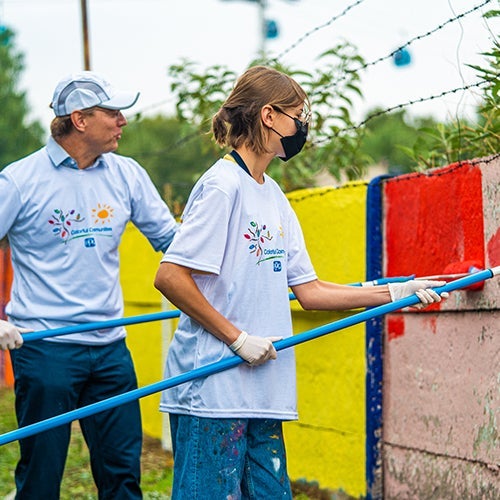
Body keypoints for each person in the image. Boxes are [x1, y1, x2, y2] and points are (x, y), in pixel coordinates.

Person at [153, 65, 448, 499]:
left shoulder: (272, 195)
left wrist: (394, 292)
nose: (302, 127)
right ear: (268, 116)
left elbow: (310, 292)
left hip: (261, 390)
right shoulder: (222, 186)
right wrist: (236, 339)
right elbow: (170, 276)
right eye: (296, 115)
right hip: (212, 390)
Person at [0, 71, 178, 499]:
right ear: (79, 119)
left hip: (110, 349)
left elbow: (174, 243)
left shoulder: (126, 175)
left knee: (122, 475)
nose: (123, 121)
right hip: (45, 347)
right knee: (41, 476)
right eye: (113, 112)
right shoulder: (19, 181)